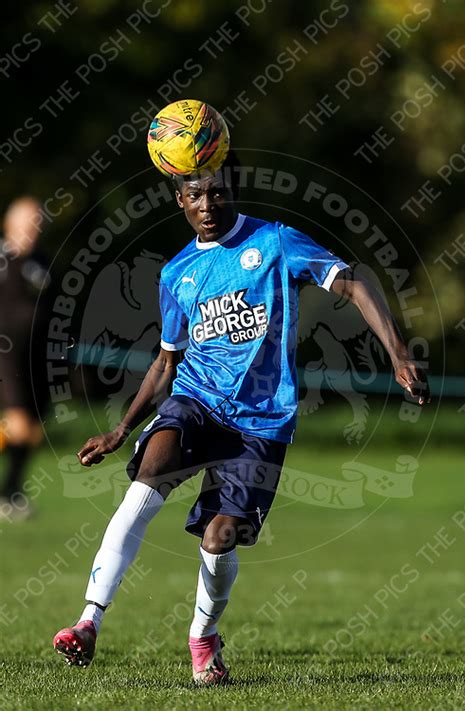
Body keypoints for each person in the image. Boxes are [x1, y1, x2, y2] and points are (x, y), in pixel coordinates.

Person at [53, 152, 429, 684]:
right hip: (196, 400)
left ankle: (203, 638)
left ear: (232, 190)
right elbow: (167, 362)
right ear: (179, 201)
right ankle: (88, 621)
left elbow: (355, 284)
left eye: (217, 192)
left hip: (262, 421)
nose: (208, 205)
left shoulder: (274, 242)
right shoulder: (177, 273)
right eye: (195, 196)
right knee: (149, 473)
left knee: (220, 536)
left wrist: (397, 355)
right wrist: (122, 429)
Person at [0, 197, 51, 520]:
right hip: (4, 354)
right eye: (25, 222)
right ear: (9, 224)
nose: (31, 230)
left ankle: (10, 494)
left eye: (37, 223)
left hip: (35, 356)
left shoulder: (44, 262)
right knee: (17, 424)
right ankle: (8, 494)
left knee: (31, 430)